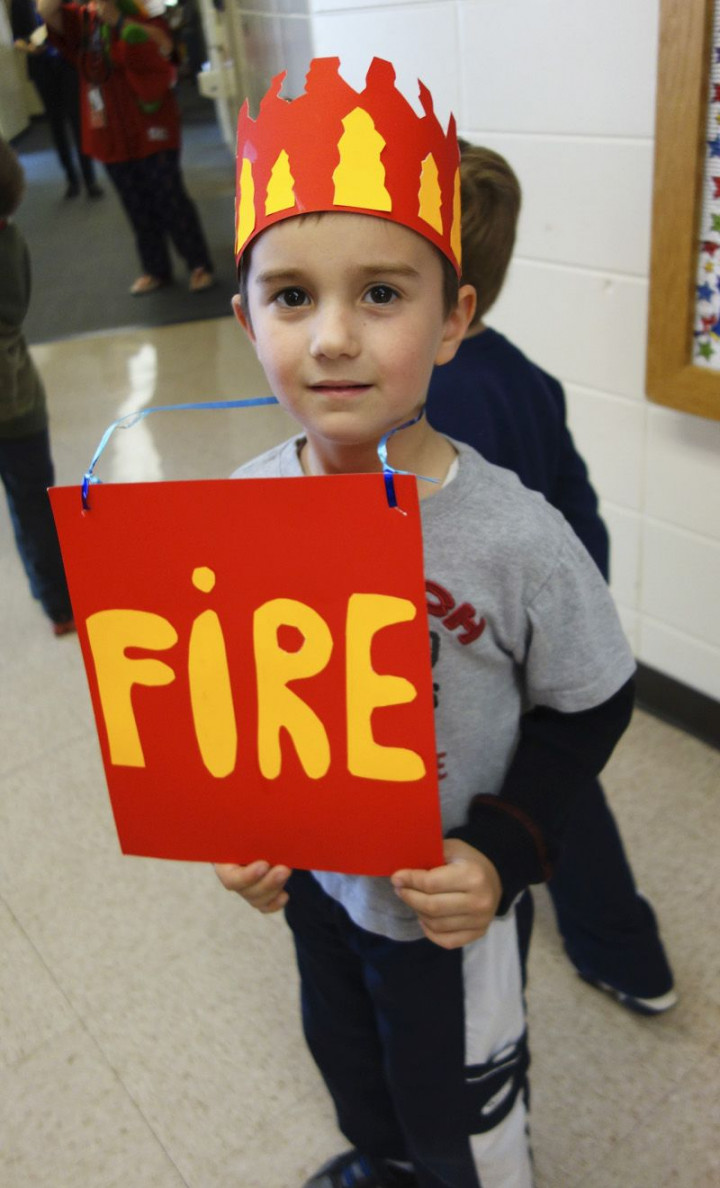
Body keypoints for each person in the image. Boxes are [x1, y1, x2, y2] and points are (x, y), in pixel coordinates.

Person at [214, 58, 637, 1188]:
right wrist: (249, 823)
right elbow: (245, 684)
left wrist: (503, 852)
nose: (334, 337)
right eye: (292, 295)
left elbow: (593, 698)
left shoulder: (513, 534)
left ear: (456, 321)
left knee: (470, 1123)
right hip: (323, 890)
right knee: (357, 1074)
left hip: (452, 911)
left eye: (382, 295)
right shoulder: (244, 507)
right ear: (245, 314)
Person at [425, 143, 676, 1016]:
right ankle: (626, 951)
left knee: (518, 793)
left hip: (480, 653)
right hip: (541, 636)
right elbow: (580, 511)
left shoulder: (424, 403)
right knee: (561, 783)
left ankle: (603, 939)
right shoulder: (527, 375)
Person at [38, 0, 214, 295]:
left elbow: (165, 47)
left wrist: (120, 21)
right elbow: (46, 11)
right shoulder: (83, 19)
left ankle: (199, 264)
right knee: (135, 202)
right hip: (109, 128)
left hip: (150, 121)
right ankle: (155, 269)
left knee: (169, 195)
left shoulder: (145, 10)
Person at [0, 135, 74, 636]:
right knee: (34, 504)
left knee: (33, 505)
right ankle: (60, 606)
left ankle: (59, 601)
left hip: (14, 400)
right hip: (19, 397)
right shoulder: (11, 237)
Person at [12, 0, 103, 200]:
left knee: (78, 121)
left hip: (68, 64)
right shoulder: (20, 4)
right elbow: (16, 38)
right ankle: (71, 180)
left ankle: (90, 180)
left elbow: (77, 22)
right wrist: (30, 49)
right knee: (56, 124)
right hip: (42, 69)